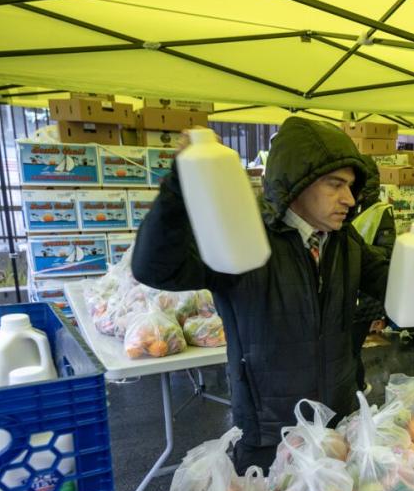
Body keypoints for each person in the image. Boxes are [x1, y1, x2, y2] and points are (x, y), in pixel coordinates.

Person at [133, 117, 390, 470]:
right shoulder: (243, 235)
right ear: (298, 182)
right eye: (335, 185)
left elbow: (391, 287)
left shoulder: (345, 241)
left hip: (336, 421)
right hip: (270, 432)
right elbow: (158, 269)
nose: (349, 198)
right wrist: (179, 192)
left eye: (351, 186)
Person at [349, 158, 396, 392]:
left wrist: (355, 251)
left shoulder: (380, 211)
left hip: (365, 295)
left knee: (350, 351)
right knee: (345, 353)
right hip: (347, 292)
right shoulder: (347, 207)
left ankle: (356, 392)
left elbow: (387, 251)